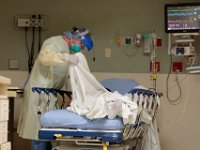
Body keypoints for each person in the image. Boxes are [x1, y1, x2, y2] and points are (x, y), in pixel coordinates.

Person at [17, 26, 93, 141]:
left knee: (47, 133)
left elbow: (67, 76)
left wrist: (73, 97)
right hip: (38, 93)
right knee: (38, 133)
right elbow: (44, 57)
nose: (80, 48)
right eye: (81, 45)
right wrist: (67, 57)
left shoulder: (67, 50)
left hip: (49, 94)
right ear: (76, 38)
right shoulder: (55, 42)